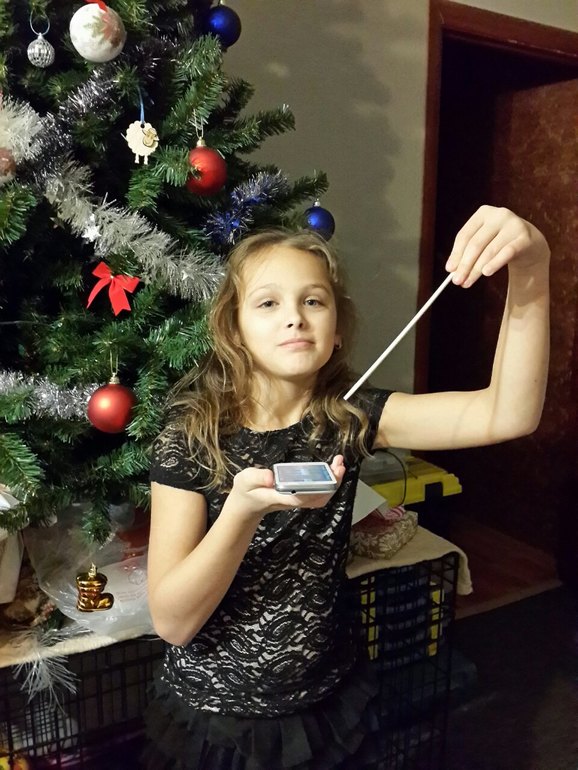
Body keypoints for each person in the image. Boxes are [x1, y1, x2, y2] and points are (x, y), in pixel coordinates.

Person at [144, 205, 550, 769]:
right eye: (268, 303)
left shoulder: (351, 417)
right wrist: (241, 512)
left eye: (313, 301)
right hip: (219, 722)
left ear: (336, 330)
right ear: (234, 330)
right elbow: (173, 622)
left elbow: (509, 413)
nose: (295, 318)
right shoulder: (192, 437)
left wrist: (532, 266)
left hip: (331, 704)